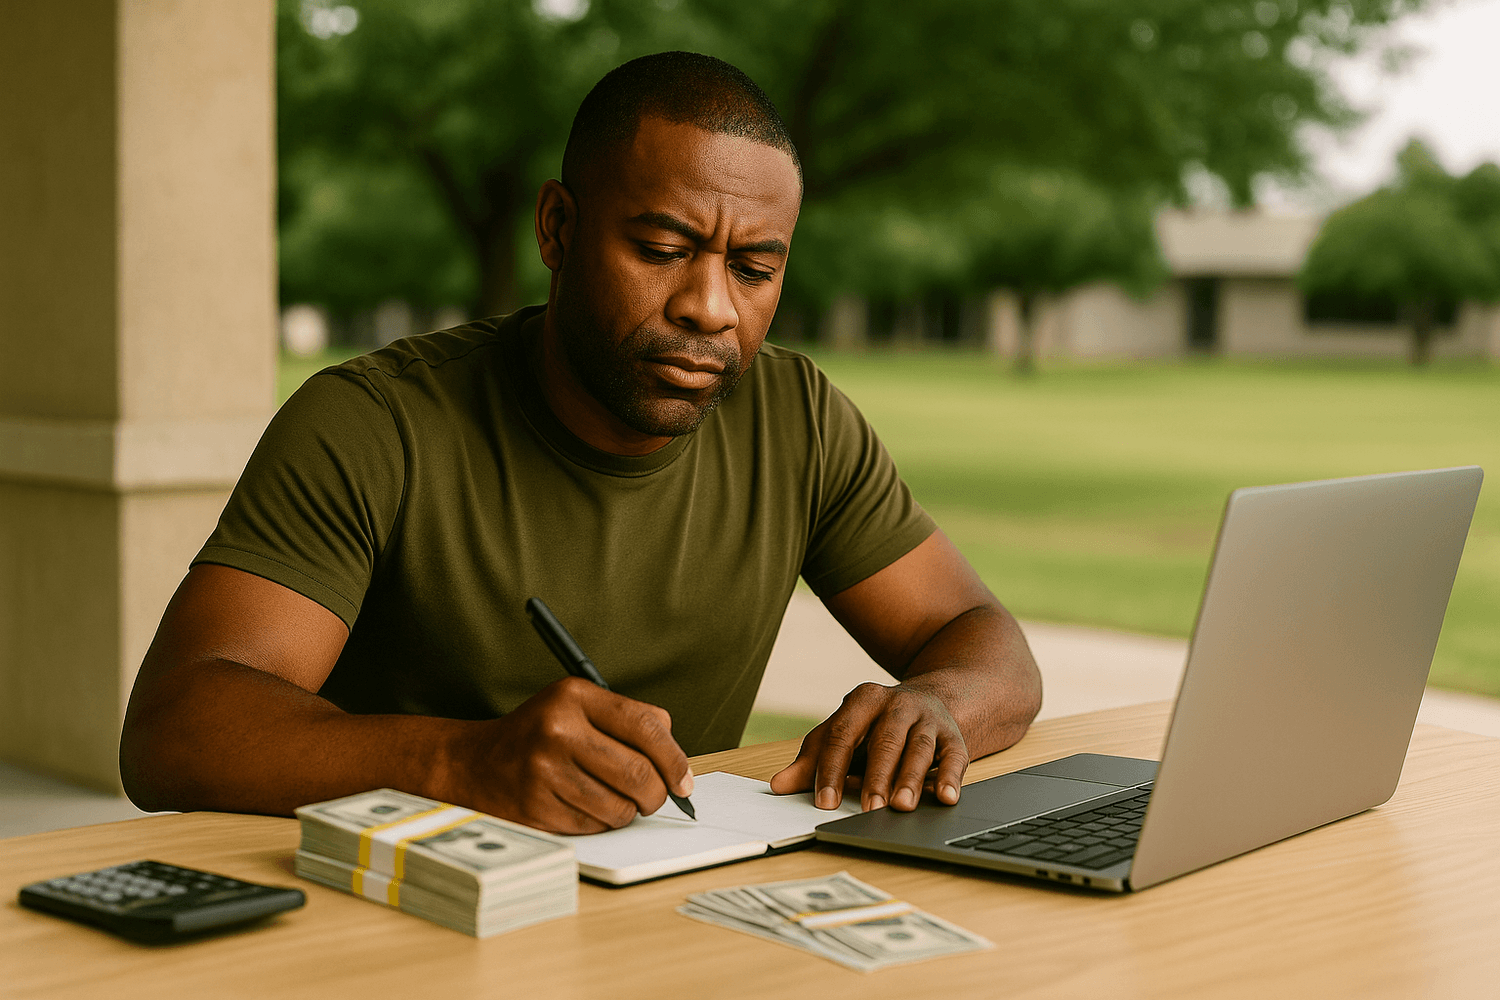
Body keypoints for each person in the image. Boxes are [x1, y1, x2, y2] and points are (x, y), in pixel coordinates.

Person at [119, 52, 1041, 835]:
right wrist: (461, 760)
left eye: (755, 269)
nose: (711, 308)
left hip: (669, 902)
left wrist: (935, 707)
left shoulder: (795, 417)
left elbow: (984, 642)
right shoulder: (372, 423)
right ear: (558, 228)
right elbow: (174, 730)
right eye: (662, 248)